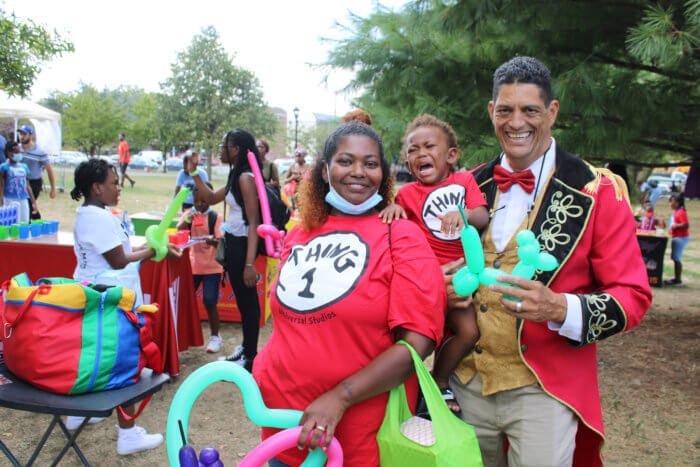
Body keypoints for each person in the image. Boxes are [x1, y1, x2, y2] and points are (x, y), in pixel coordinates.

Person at [443, 56, 652, 466]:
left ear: (552, 112)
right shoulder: (465, 186)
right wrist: (441, 288)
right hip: (463, 384)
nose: (515, 121)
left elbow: (633, 295)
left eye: (530, 110)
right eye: (505, 110)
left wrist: (559, 307)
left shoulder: (596, 191)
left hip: (544, 389)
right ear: (491, 112)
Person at [253, 121, 446, 466]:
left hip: (358, 438)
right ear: (325, 171)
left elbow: (417, 344)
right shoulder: (301, 234)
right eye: (345, 161)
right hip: (283, 425)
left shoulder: (402, 236)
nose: (358, 172)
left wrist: (340, 398)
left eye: (370, 164)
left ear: (383, 175)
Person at [379, 114, 489, 414]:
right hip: (427, 281)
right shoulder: (407, 194)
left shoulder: (464, 181)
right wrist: (392, 207)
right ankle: (403, 392)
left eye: (429, 146)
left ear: (451, 155)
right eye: (413, 149)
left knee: (468, 333)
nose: (420, 153)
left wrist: (464, 214)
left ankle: (439, 381)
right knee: (416, 341)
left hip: (462, 279)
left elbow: (483, 215)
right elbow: (397, 228)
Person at [69, 158, 180, 454]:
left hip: (97, 296)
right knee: (125, 362)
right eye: (113, 183)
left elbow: (121, 251)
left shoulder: (90, 213)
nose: (119, 188)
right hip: (113, 300)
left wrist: (152, 249)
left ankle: (76, 414)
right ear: (96, 187)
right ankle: (127, 435)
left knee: (96, 357)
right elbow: (118, 260)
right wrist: (154, 250)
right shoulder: (100, 218)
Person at [185, 129, 263, 371]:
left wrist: (250, 265)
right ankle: (247, 349)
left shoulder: (245, 178)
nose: (221, 149)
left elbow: (253, 223)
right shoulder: (235, 176)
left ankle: (250, 357)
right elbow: (209, 196)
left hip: (242, 247)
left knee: (248, 303)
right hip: (234, 246)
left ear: (237, 149)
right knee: (243, 301)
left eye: (225, 145)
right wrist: (194, 172)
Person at [176, 182, 224, 352]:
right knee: (184, 301)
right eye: (197, 201)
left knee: (210, 301)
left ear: (211, 200)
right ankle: (182, 334)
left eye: (204, 201)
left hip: (212, 267)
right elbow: (178, 232)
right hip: (193, 266)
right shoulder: (189, 214)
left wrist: (213, 241)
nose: (200, 205)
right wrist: (186, 221)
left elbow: (220, 240)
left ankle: (215, 337)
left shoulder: (216, 218)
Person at [18, 125, 55, 220]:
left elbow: (49, 170)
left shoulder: (39, 152)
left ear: (30, 136)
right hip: (20, 182)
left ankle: (32, 221)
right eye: (20, 134)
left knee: (28, 204)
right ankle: (34, 218)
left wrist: (53, 189)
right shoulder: (17, 149)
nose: (21, 136)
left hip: (34, 182)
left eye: (24, 134)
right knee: (22, 205)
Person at [0, 141, 39, 223]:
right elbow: (2, 186)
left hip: (23, 198)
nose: (18, 154)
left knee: (24, 222)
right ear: (9, 153)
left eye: (19, 152)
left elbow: (27, 185)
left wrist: (33, 203)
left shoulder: (24, 167)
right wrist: (0, 203)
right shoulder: (4, 167)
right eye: (16, 152)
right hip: (9, 198)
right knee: (10, 223)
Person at [665, 193, 690, 287]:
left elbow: (686, 225)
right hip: (677, 237)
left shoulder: (681, 212)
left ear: (677, 203)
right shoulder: (677, 211)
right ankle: (676, 278)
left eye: (672, 202)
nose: (670, 204)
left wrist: (675, 226)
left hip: (680, 237)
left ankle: (678, 280)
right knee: (675, 258)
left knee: (676, 258)